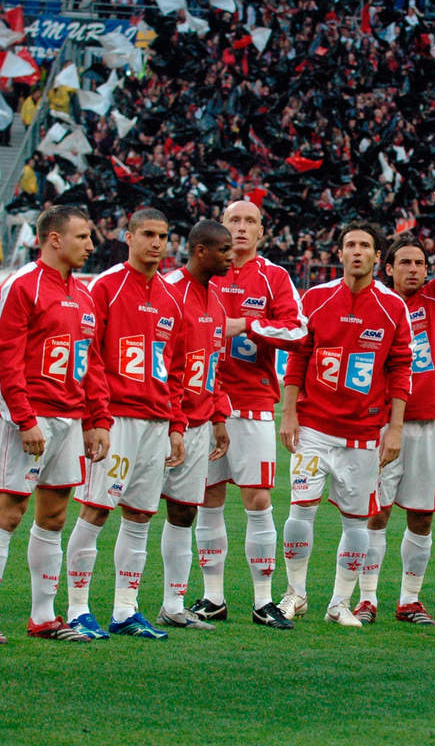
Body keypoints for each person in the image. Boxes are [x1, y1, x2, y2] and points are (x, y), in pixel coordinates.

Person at [0, 204, 110, 644]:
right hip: (30, 420)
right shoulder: (22, 286)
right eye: (83, 237)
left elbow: (91, 364)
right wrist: (23, 417)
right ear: (54, 239)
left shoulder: (84, 295)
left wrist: (96, 419)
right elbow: (4, 356)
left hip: (70, 419)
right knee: (9, 512)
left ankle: (44, 617)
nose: (90, 245)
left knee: (54, 516)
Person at [277, 221, 413, 627]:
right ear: (340, 254)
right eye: (350, 245)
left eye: (364, 246)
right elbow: (298, 357)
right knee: (300, 509)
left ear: (377, 257)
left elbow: (402, 368)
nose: (356, 251)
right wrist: (288, 412)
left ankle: (339, 602)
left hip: (362, 433)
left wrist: (395, 427)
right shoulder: (316, 299)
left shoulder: (392, 307)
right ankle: (295, 594)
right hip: (313, 428)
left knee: (357, 520)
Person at [64, 208, 189, 640]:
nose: (157, 243)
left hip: (156, 424)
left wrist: (176, 423)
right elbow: (89, 355)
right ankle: (77, 608)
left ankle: (124, 609)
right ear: (129, 236)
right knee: (96, 510)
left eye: (164, 236)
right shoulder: (106, 287)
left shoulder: (173, 298)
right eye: (149, 234)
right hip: (116, 419)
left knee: (139, 517)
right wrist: (95, 416)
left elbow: (175, 370)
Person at [190, 200, 307, 629]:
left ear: (262, 231)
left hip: (253, 404)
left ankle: (262, 601)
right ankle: (213, 597)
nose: (241, 228)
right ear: (221, 227)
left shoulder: (274, 277)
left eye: (249, 222)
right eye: (233, 221)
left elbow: (298, 331)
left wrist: (248, 325)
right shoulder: (200, 277)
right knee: (207, 498)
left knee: (258, 499)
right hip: (203, 406)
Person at [353, 178, 435, 626]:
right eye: (406, 263)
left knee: (421, 516)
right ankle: (366, 599)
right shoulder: (377, 304)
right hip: (382, 424)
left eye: (421, 263)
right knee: (374, 514)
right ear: (390, 269)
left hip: (430, 424)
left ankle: (410, 600)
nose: (415, 270)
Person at [159, 221, 235, 629]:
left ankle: (173, 604)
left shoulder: (217, 301)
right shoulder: (169, 289)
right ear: (201, 250)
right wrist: (173, 421)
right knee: (119, 511)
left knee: (185, 511)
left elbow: (214, 369)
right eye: (224, 249)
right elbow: (162, 363)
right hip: (161, 421)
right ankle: (112, 605)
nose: (231, 255)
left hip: (200, 421)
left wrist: (219, 416)